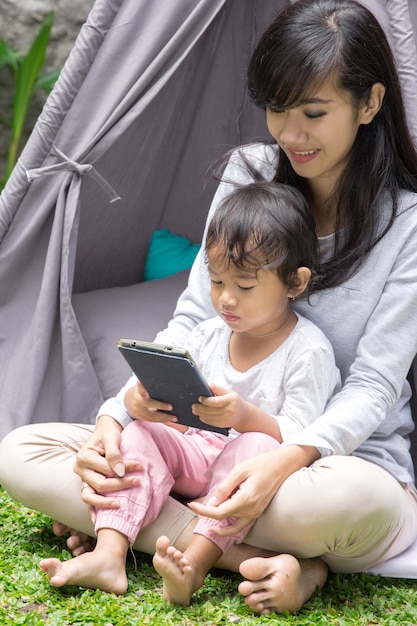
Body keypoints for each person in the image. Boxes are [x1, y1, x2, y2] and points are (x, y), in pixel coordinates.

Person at [2, 0, 417, 615]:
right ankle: (271, 561)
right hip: (200, 450)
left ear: (370, 103)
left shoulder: (407, 222)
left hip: (332, 468)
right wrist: (118, 416)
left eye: (313, 113)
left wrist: (284, 462)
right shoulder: (250, 172)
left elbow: (376, 384)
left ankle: (139, 523)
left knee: (330, 506)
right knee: (22, 454)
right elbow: (195, 316)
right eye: (277, 108)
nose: (291, 134)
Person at [38, 180, 341, 602]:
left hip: (251, 480)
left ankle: (194, 565)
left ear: (295, 282)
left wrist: (244, 418)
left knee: (253, 444)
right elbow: (174, 415)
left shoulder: (308, 351)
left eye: (245, 287)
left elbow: (303, 435)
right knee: (138, 434)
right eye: (216, 282)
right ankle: (109, 554)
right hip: (192, 460)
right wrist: (143, 405)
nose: (226, 299)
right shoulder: (206, 335)